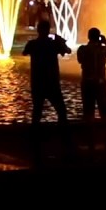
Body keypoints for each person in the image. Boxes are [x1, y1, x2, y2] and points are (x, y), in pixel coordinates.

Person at [21, 20, 71, 158]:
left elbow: (24, 53)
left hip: (37, 82)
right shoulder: (53, 43)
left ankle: (34, 137)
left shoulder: (33, 44)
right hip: (52, 82)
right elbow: (67, 51)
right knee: (61, 110)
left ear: (38, 30)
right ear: (48, 30)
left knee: (37, 110)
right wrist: (61, 41)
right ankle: (63, 136)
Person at [76, 27, 106, 148]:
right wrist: (105, 42)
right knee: (104, 111)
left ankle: (90, 137)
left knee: (88, 111)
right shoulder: (103, 49)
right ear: (99, 37)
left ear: (88, 37)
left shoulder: (83, 49)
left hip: (87, 83)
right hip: (100, 83)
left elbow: (79, 60)